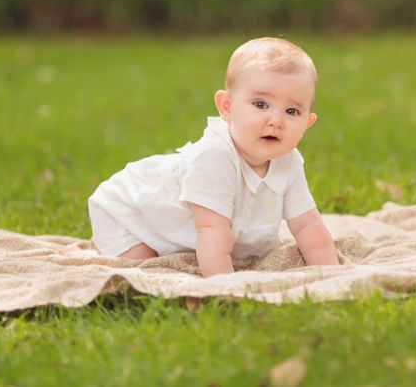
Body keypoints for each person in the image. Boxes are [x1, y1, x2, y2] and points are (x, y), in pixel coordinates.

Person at [61, 37, 339, 277]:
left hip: (173, 227)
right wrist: (225, 285)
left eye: (292, 112)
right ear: (227, 108)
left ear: (307, 123)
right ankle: (86, 256)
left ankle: (104, 245)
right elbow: (211, 230)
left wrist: (332, 273)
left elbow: (308, 224)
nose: (275, 120)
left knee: (166, 256)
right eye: (260, 104)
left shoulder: (289, 162)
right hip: (128, 211)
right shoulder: (215, 158)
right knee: (141, 262)